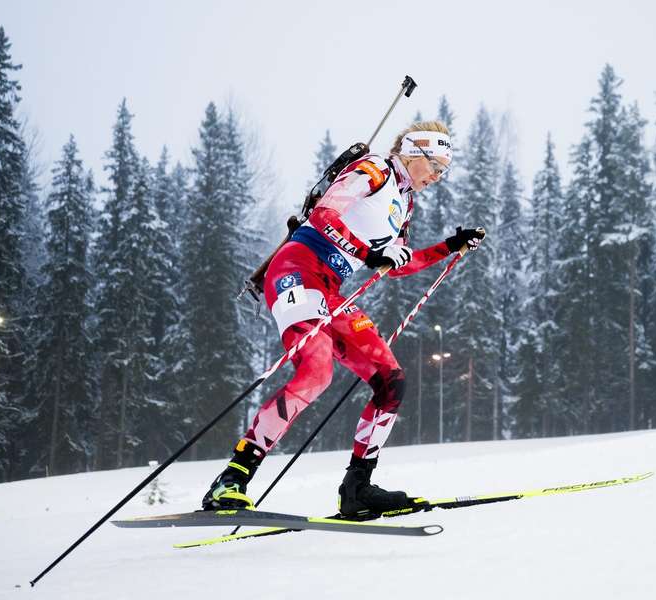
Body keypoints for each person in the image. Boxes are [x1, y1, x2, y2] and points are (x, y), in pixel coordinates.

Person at [201, 121, 485, 518]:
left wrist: (450, 246)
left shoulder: (404, 202)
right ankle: (233, 478)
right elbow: (324, 214)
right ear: (413, 152)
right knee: (316, 371)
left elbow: (397, 264)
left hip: (332, 288)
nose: (439, 177)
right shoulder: (374, 171)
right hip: (296, 270)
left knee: (392, 382)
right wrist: (367, 254)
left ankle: (357, 488)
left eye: (444, 170)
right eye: (436, 166)